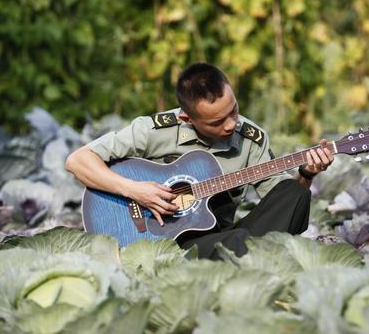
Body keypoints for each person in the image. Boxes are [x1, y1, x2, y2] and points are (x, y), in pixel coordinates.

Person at [65, 63, 334, 258]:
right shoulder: (153, 130)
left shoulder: (251, 139)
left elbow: (279, 204)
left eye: (234, 111)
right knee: (241, 243)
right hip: (162, 243)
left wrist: (306, 174)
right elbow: (78, 161)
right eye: (217, 121)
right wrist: (137, 191)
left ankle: (242, 255)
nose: (231, 125)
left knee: (293, 193)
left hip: (221, 236)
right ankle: (247, 255)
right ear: (188, 119)